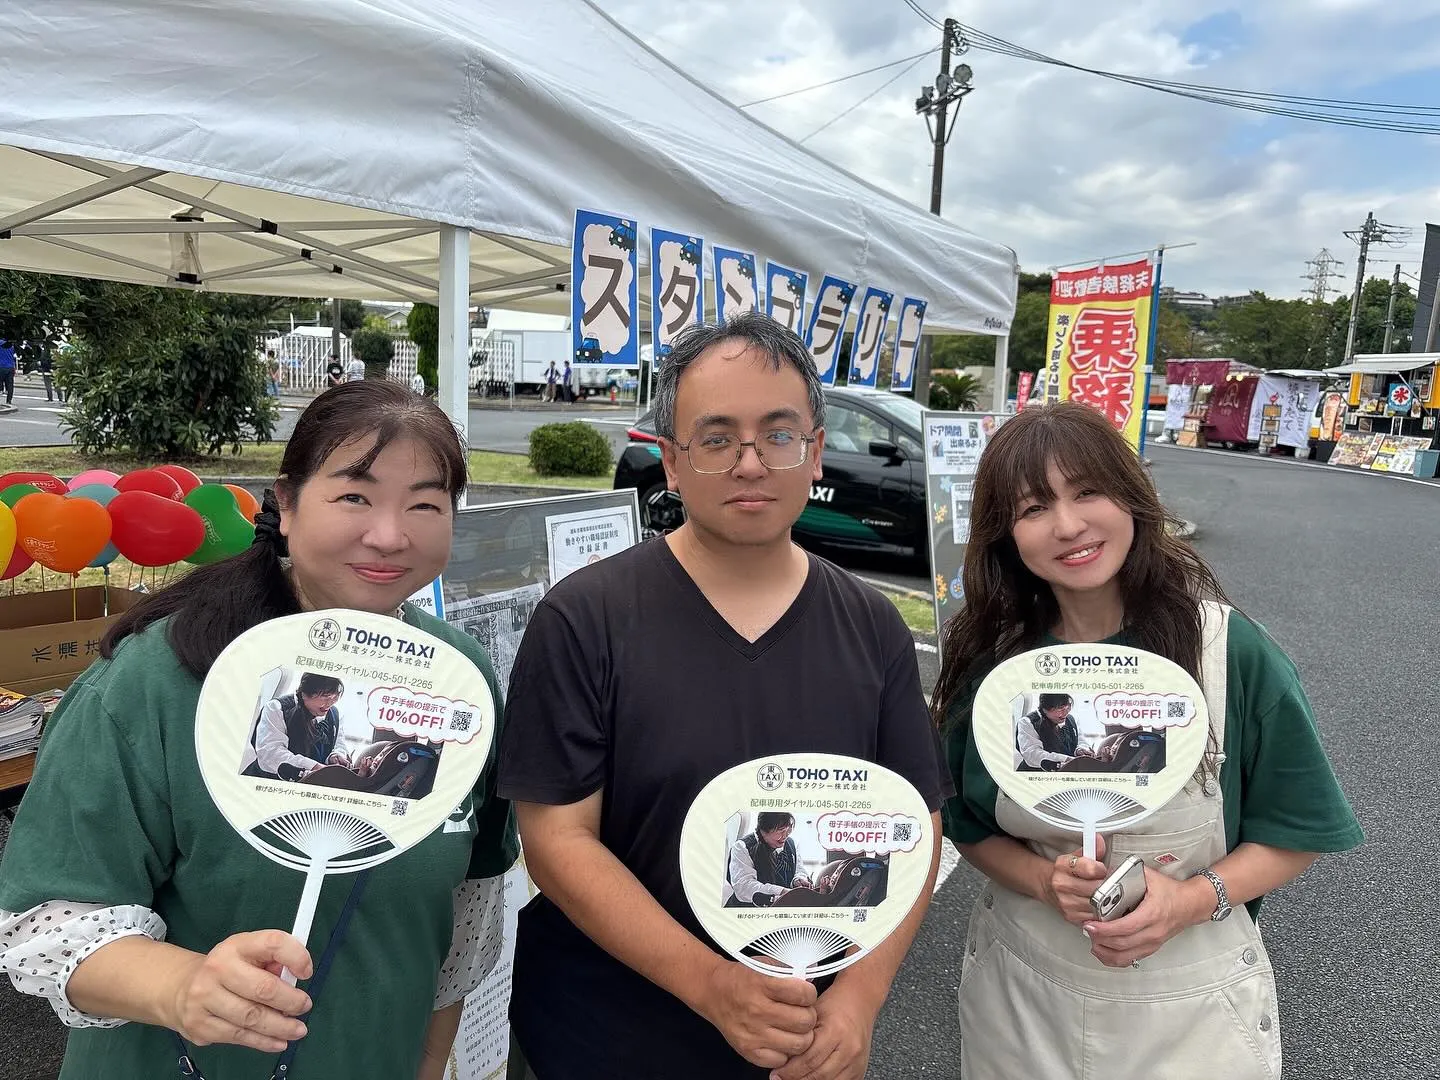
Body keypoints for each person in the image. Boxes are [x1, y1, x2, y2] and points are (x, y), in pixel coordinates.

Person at [0, 381, 517, 1080]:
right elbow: (47, 924)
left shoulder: (459, 682)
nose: (391, 534)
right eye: (355, 496)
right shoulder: (159, 677)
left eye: (426, 504)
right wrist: (183, 986)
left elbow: (465, 914)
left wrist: (426, 1065)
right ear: (288, 500)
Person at [499, 313, 948, 1080]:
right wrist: (715, 986)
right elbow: (557, 841)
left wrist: (859, 1003)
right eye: (715, 439)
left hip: (800, 1042)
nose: (750, 463)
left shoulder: (871, 625)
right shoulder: (585, 617)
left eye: (778, 435)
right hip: (606, 1035)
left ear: (813, 455)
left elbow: (915, 822)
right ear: (672, 463)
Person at [934, 401, 1363, 1080]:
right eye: (1033, 507)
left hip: (1194, 1010)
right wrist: (1047, 883)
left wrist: (1190, 900)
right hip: (1021, 1002)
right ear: (1004, 534)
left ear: (1133, 498)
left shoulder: (1226, 652)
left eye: (1088, 492)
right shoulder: (993, 665)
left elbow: (1297, 828)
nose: (1068, 526)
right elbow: (968, 824)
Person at [241, 672, 348, 781]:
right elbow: (271, 753)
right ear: (304, 694)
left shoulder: (334, 713)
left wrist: (335, 756)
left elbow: (338, 742)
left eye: (335, 697)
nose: (330, 703)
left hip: (311, 782)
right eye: (325, 697)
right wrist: (315, 767)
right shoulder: (277, 708)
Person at [727, 812, 812, 907]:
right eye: (781, 830)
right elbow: (744, 887)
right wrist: (782, 892)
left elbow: (799, 869)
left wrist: (798, 880)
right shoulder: (742, 847)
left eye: (788, 829)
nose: (785, 836)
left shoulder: (792, 843)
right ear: (764, 829)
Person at [1015, 692, 1080, 771]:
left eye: (1068, 707)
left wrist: (1079, 750)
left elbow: (1079, 740)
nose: (1066, 713)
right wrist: (1066, 759)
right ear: (1045, 709)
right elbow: (1032, 754)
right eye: (1060, 709)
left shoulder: (1070, 719)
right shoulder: (1027, 722)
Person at [0, 338, 15, 407]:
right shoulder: (11, 344)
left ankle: (1, 390)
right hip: (10, 366)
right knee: (10, 384)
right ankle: (9, 400)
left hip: (1, 366)